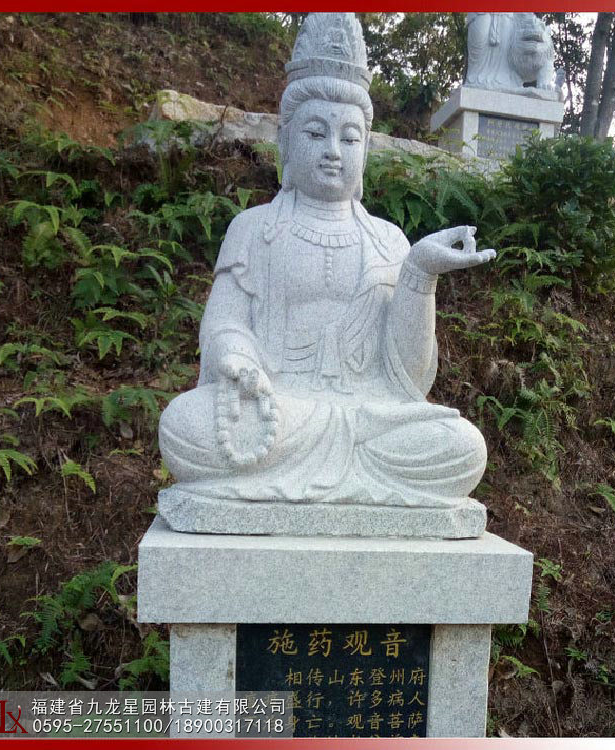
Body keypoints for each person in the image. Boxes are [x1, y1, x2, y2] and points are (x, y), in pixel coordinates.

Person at [158, 13, 495, 510]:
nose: (334, 151)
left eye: (350, 138)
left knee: (463, 448)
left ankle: (307, 486)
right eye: (316, 134)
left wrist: (420, 274)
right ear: (286, 141)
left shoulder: (388, 239)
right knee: (183, 427)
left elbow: (408, 379)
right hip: (280, 412)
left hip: (370, 417)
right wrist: (239, 361)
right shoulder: (254, 229)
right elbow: (225, 323)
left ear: (366, 150)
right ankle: (354, 489)